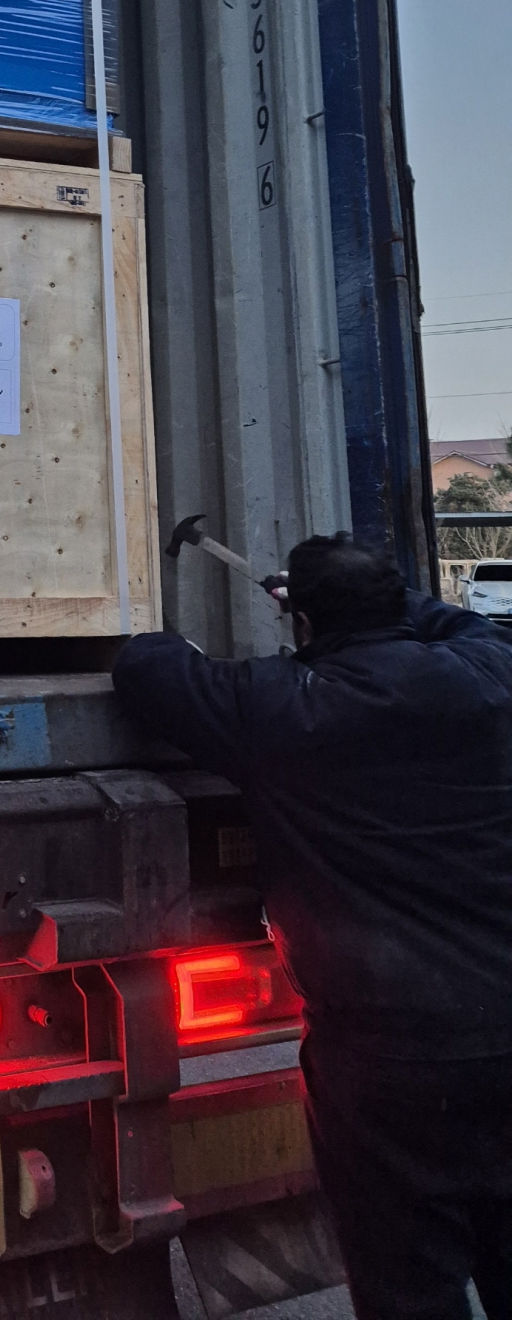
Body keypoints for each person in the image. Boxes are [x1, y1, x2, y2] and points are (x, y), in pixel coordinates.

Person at [113, 533, 512, 1320]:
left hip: (386, 1063)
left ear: (302, 622)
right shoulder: (488, 676)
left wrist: (295, 614)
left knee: (410, 1286)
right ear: (402, 605)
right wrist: (373, 603)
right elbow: (462, 626)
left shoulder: (279, 706)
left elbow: (146, 665)